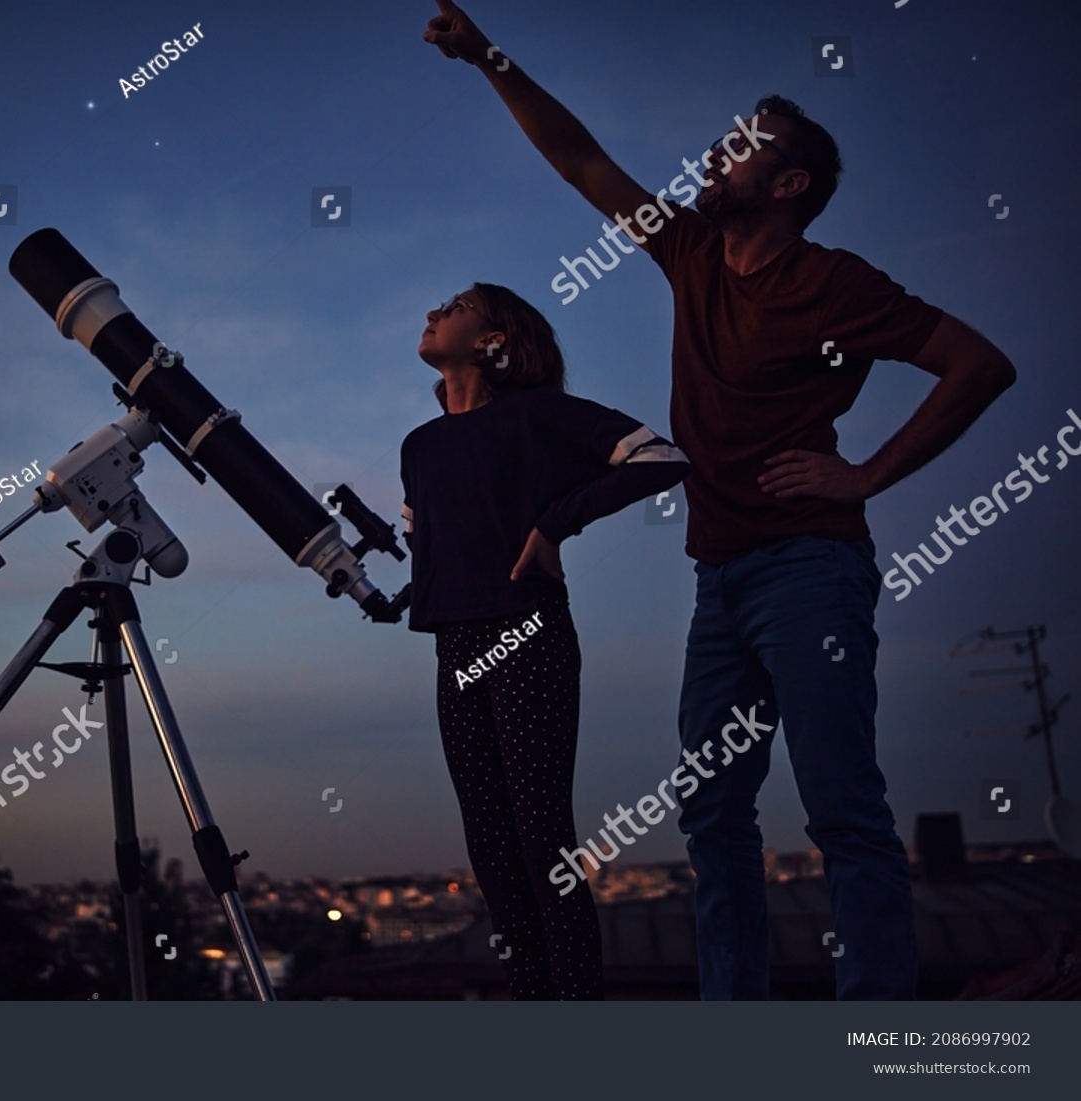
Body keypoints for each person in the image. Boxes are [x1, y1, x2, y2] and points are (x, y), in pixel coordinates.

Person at [422, 2, 1017, 1000]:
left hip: (810, 568)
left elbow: (978, 365)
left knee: (843, 812)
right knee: (712, 813)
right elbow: (582, 162)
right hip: (719, 577)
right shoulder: (692, 252)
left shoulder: (838, 285)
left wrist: (866, 474)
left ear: (788, 185)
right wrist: (487, 56)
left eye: (749, 145)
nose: (722, 149)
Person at [401, 282, 689, 999]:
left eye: (456, 305)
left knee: (539, 836)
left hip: (528, 635)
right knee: (489, 846)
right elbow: (426, 537)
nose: (434, 311)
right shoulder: (420, 445)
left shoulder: (540, 415)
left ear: (494, 340)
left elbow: (660, 457)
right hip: (454, 646)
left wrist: (557, 521)